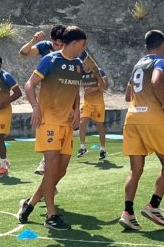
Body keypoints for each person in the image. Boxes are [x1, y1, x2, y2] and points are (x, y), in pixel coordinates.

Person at [17, 27, 89, 230]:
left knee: (60, 170)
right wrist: (35, 107)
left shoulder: (78, 64)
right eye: (83, 44)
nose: (84, 48)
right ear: (74, 43)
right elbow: (29, 85)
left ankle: (29, 204)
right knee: (50, 166)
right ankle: (51, 215)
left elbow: (74, 88)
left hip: (66, 123)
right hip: (48, 122)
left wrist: (77, 109)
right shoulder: (51, 60)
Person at [20, 25, 102, 174]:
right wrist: (33, 40)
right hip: (50, 98)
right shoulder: (47, 51)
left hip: (67, 102)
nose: (58, 47)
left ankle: (43, 190)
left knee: (61, 166)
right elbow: (24, 53)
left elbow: (90, 66)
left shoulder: (75, 55)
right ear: (51, 41)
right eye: (56, 44)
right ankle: (45, 171)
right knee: (52, 160)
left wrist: (99, 79)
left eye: (61, 44)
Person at [119, 30, 164, 231]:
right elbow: (155, 82)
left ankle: (127, 212)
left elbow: (128, 95)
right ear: (162, 45)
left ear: (146, 46)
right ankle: (153, 205)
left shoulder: (138, 64)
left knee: (135, 170)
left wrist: (155, 97)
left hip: (132, 117)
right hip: (151, 119)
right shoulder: (160, 62)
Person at [77, 62, 109, 161]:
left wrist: (92, 89)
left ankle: (103, 149)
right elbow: (80, 86)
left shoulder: (98, 71)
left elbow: (105, 86)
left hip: (98, 104)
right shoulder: (81, 73)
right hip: (87, 103)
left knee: (99, 126)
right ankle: (83, 148)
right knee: (82, 123)